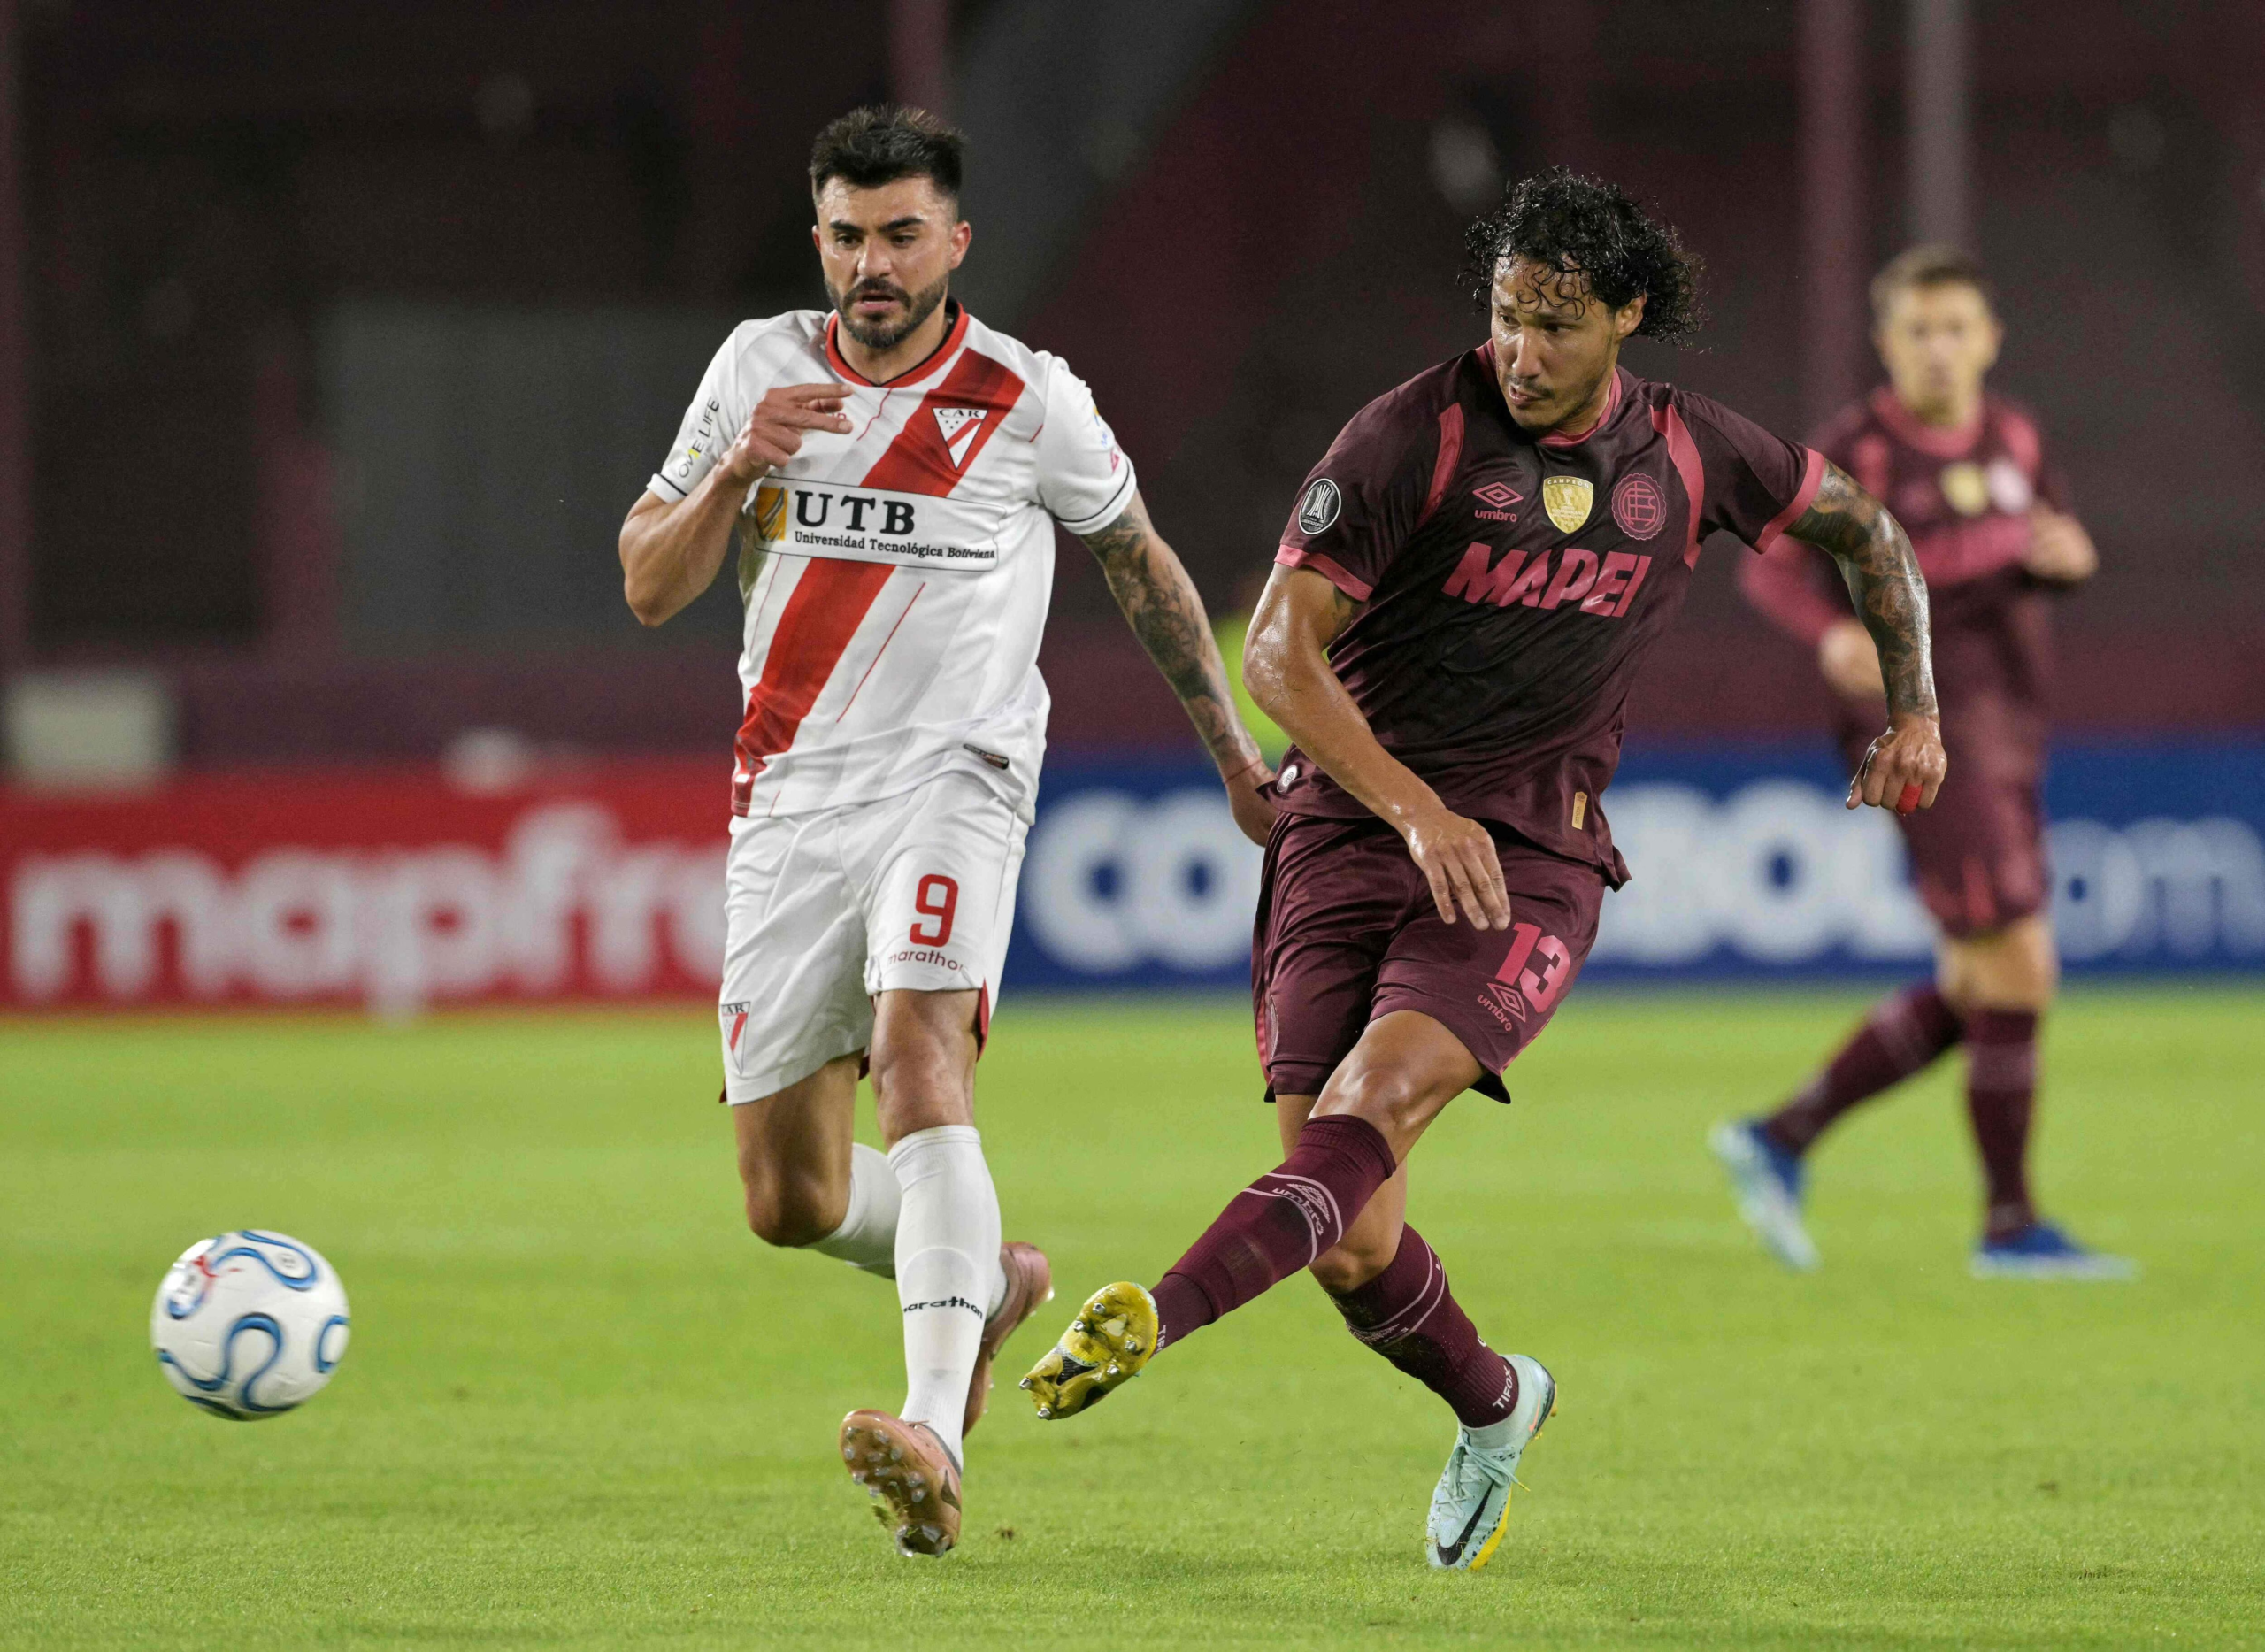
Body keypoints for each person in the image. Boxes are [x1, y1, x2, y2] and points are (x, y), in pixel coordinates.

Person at [1018, 169, 1946, 1571]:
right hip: (1353, 829)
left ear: (1627, 314)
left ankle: (1160, 1310)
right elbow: (1276, 653)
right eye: (1507, 314)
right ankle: (1499, 1400)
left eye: (1555, 323)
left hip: (1530, 854)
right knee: (1345, 1235)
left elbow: (1868, 530)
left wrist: (1915, 706)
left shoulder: (1694, 452)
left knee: (1371, 1107)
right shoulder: (1414, 433)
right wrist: (1409, 809)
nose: (1520, 348)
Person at [617, 105, 1275, 1558]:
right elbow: (650, 584)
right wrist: (735, 471)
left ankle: (933, 1427)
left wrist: (1233, 751)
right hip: (790, 798)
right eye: (848, 235)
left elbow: (1141, 563)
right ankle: (982, 1287)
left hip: (957, 778)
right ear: (819, 240)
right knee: (787, 1196)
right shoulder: (756, 368)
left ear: (956, 241)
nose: (875, 262)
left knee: (922, 1054)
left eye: (902, 234)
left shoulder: (1027, 398)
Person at [1717, 246, 2131, 1281]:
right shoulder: (1856, 449)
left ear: (1988, 339)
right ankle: (2010, 1228)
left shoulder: (2014, 435)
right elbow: (1768, 566)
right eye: (1918, 330)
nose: (1938, 349)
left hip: (2008, 722)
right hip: (1916, 728)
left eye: (1955, 329)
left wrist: (2073, 557)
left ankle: (1780, 1136)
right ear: (1886, 341)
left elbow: (2053, 537)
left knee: (1974, 976)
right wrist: (1828, 631)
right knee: (2020, 960)